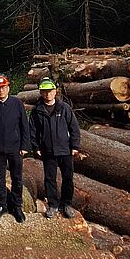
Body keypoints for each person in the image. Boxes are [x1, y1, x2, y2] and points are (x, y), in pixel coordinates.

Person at [30, 78, 81, 219]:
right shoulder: (37, 110)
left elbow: (74, 128)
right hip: (48, 150)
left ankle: (67, 204)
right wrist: (36, 146)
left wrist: (75, 145)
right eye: (45, 92)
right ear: (41, 92)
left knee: (68, 178)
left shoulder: (64, 108)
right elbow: (32, 130)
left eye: (50, 91)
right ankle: (52, 205)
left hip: (65, 149)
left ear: (55, 91)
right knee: (50, 179)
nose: (48, 94)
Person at [0, 74, 30, 223]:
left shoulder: (17, 103)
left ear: (8, 88)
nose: (1, 91)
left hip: (15, 147)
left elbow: (24, 125)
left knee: (17, 178)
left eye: (3, 88)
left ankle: (17, 206)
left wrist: (25, 146)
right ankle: (0, 205)